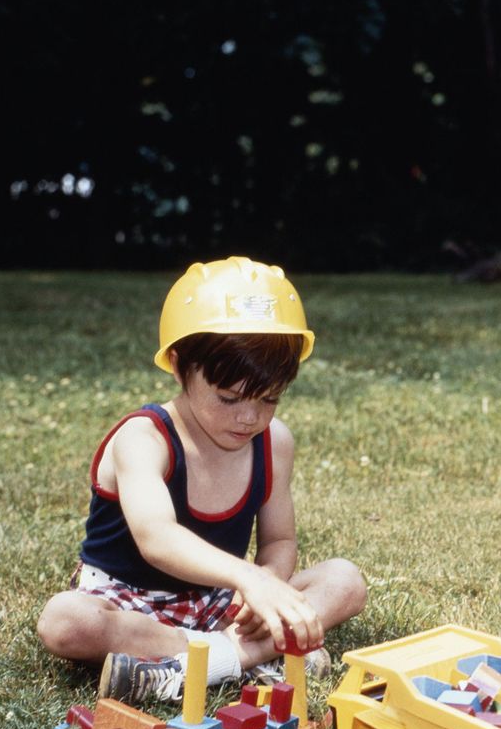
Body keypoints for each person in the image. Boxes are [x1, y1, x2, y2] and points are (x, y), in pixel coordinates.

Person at [36, 256, 367, 705]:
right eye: (228, 398)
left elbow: (278, 542)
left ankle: (197, 665)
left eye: (269, 398)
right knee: (65, 621)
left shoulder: (274, 443)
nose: (250, 417)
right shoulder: (145, 437)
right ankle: (247, 658)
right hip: (129, 608)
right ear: (178, 365)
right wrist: (253, 580)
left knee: (345, 581)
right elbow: (158, 538)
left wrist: (264, 589)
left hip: (218, 606)